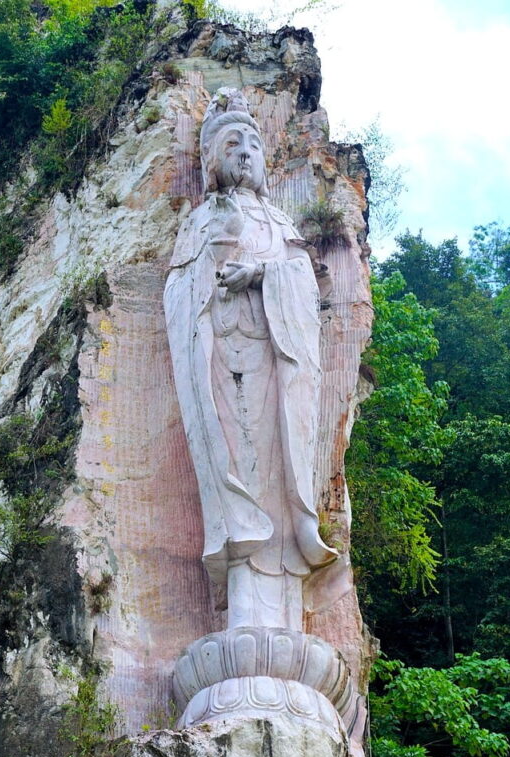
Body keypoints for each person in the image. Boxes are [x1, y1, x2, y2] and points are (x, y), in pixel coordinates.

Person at [164, 90, 338, 630]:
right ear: (212, 160)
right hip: (224, 361)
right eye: (232, 144)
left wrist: (261, 274)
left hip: (279, 363)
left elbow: (305, 284)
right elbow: (179, 294)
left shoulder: (279, 222)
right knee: (238, 471)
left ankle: (284, 614)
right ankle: (242, 608)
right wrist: (213, 263)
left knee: (284, 470)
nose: (244, 153)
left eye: (253, 145)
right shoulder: (202, 218)